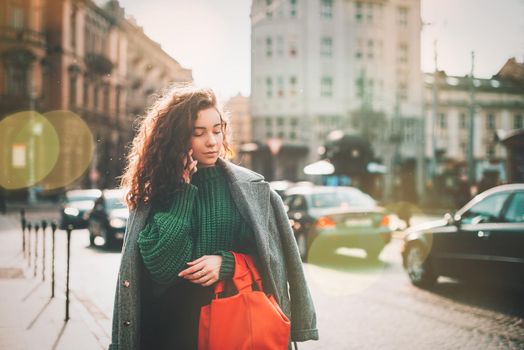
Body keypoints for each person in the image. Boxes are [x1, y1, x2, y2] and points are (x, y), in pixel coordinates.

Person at [109, 85, 318, 350]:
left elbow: (276, 258)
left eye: (217, 130)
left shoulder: (254, 190)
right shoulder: (157, 192)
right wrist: (183, 191)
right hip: (170, 331)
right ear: (176, 139)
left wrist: (228, 263)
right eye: (199, 133)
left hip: (237, 326)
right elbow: (163, 268)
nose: (212, 141)